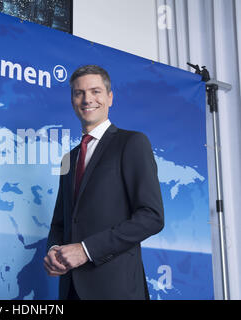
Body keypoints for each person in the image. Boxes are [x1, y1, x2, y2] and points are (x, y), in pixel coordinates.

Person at [44, 65, 164, 300]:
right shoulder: (69, 158)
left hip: (115, 289)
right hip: (70, 290)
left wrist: (86, 250)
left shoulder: (132, 143)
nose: (87, 99)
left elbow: (151, 216)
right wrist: (53, 251)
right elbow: (61, 222)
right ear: (72, 100)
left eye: (95, 91)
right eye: (79, 93)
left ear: (110, 98)